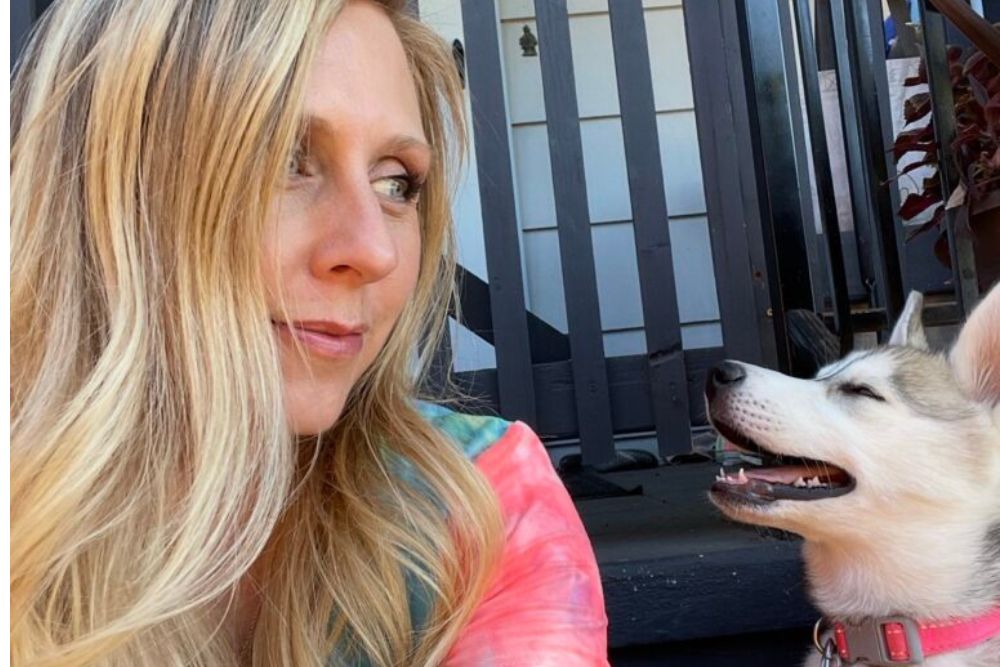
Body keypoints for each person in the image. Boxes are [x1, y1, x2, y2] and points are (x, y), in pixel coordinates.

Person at [9, 1, 608, 665]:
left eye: (395, 183)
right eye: (284, 158)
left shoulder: (479, 507)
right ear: (108, 192)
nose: (373, 250)